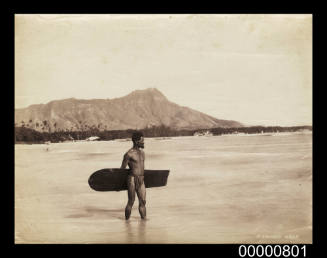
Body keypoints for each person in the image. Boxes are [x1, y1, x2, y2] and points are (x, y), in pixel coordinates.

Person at [120, 131, 146, 220]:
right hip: (132, 179)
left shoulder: (142, 153)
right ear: (136, 141)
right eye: (142, 140)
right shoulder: (128, 154)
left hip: (141, 179)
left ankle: (144, 222)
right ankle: (127, 222)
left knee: (143, 201)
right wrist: (118, 184)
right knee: (131, 201)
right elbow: (122, 169)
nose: (143, 142)